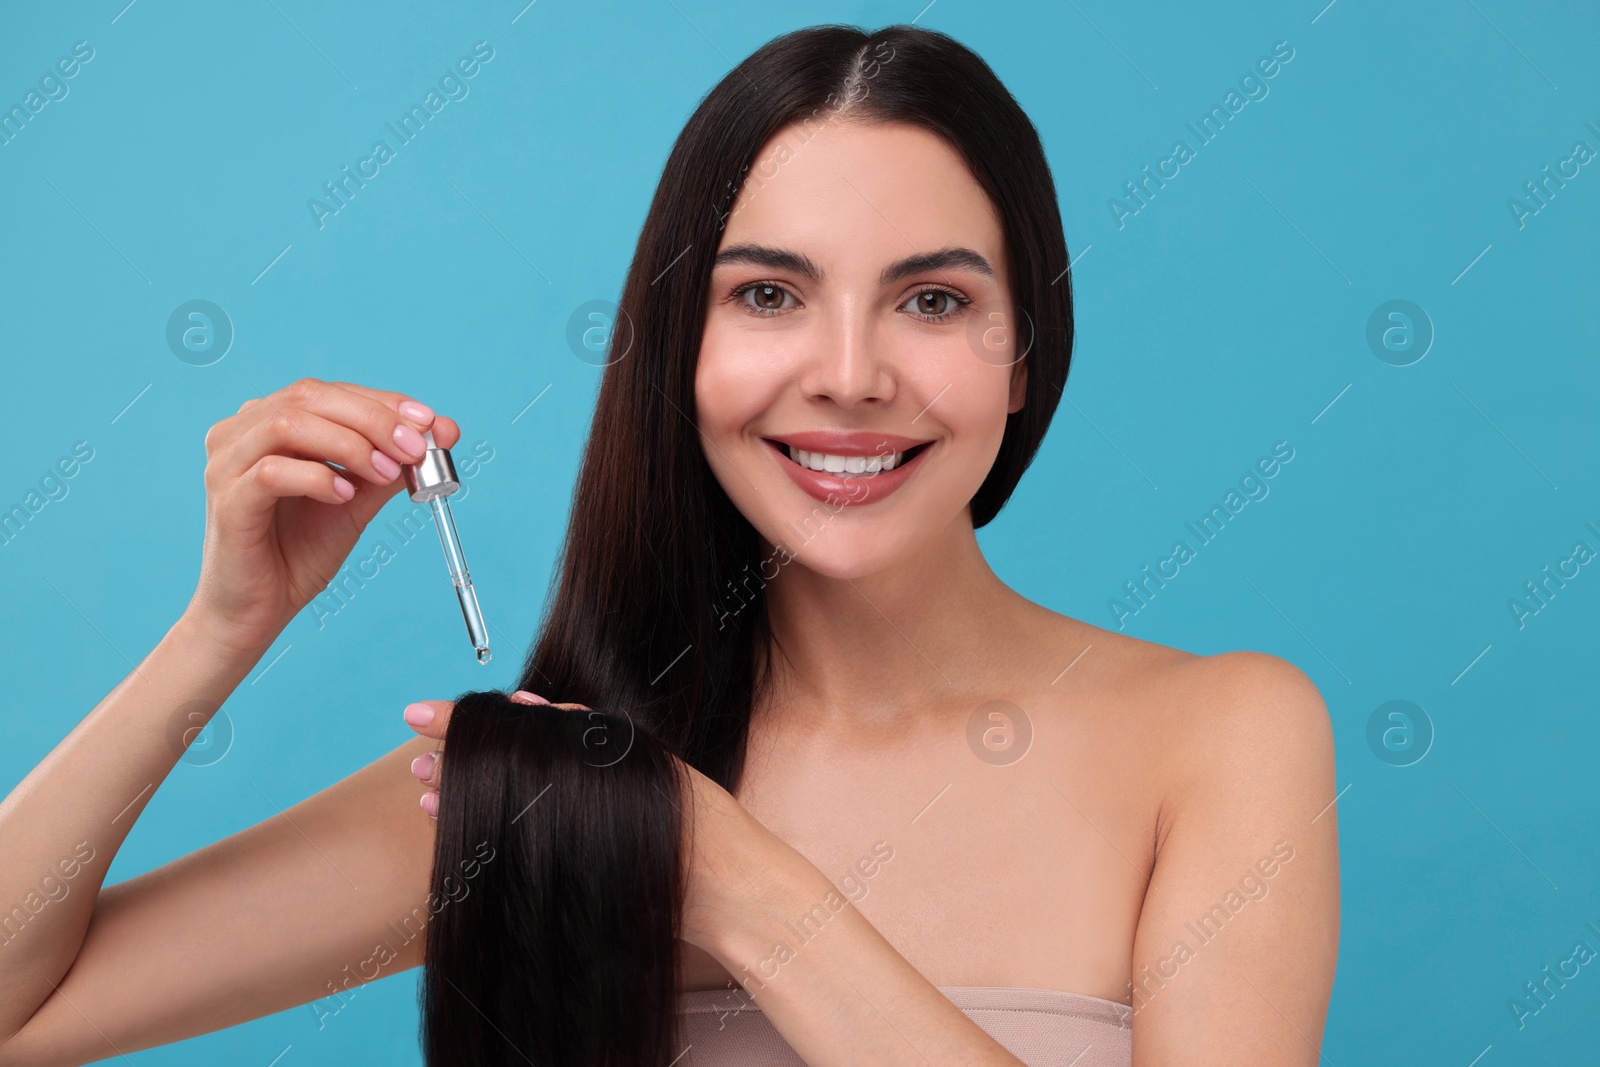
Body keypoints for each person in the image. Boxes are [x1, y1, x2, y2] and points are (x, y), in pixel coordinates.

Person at [0, 22, 1338, 1067]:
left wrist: (753, 897)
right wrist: (219, 633)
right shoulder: (547, 789)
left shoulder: (1223, 735)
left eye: (934, 298)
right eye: (768, 295)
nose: (851, 375)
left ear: (1024, 359)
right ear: (679, 354)